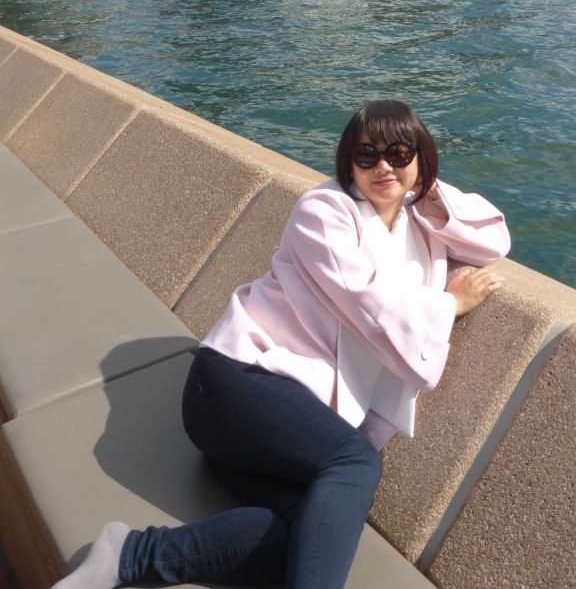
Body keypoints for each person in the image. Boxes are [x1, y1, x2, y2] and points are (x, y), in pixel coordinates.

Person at [53, 100, 509, 589]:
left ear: (422, 160)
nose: (382, 166)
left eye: (399, 154)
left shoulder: (420, 227)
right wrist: (448, 305)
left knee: (311, 533)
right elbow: (372, 305)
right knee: (356, 462)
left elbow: (492, 238)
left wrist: (422, 187)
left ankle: (130, 554)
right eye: (367, 154)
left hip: (284, 431)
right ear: (346, 161)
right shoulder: (323, 211)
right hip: (234, 383)